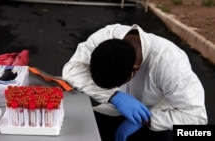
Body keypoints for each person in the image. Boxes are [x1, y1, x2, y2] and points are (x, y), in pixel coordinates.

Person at [62, 23, 208, 141]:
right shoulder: (105, 36)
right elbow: (71, 70)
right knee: (74, 127)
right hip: (113, 110)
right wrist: (114, 97)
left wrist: (146, 120)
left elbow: (196, 117)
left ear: (135, 70)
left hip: (158, 117)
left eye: (115, 87)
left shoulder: (171, 63)